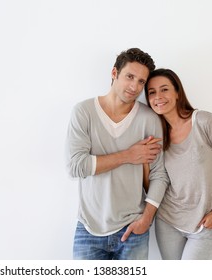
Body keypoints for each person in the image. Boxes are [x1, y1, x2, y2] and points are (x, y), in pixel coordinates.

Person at [65, 48, 169, 260]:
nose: (134, 86)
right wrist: (128, 155)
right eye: (129, 77)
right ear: (114, 73)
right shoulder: (84, 112)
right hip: (89, 229)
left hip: (133, 230)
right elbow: (76, 166)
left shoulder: (149, 119)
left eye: (141, 81)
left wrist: (146, 219)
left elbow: (159, 174)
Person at [144, 68, 212, 260]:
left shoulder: (204, 121)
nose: (158, 97)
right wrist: (144, 162)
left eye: (164, 90)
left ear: (177, 93)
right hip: (168, 221)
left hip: (204, 223)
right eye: (152, 92)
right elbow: (153, 185)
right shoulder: (158, 136)